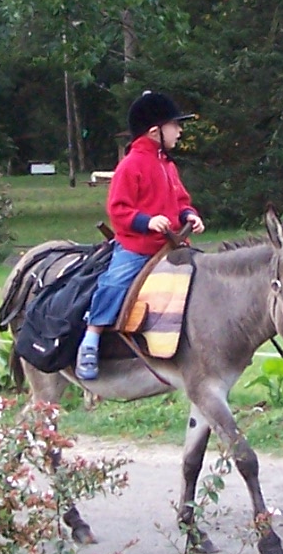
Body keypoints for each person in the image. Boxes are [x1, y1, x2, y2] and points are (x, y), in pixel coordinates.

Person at [79, 91, 205, 380]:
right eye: (174, 125)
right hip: (138, 248)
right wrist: (147, 222)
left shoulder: (168, 165)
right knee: (114, 282)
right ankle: (92, 337)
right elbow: (118, 209)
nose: (180, 130)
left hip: (173, 246)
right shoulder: (130, 165)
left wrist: (189, 215)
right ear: (154, 131)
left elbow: (181, 200)